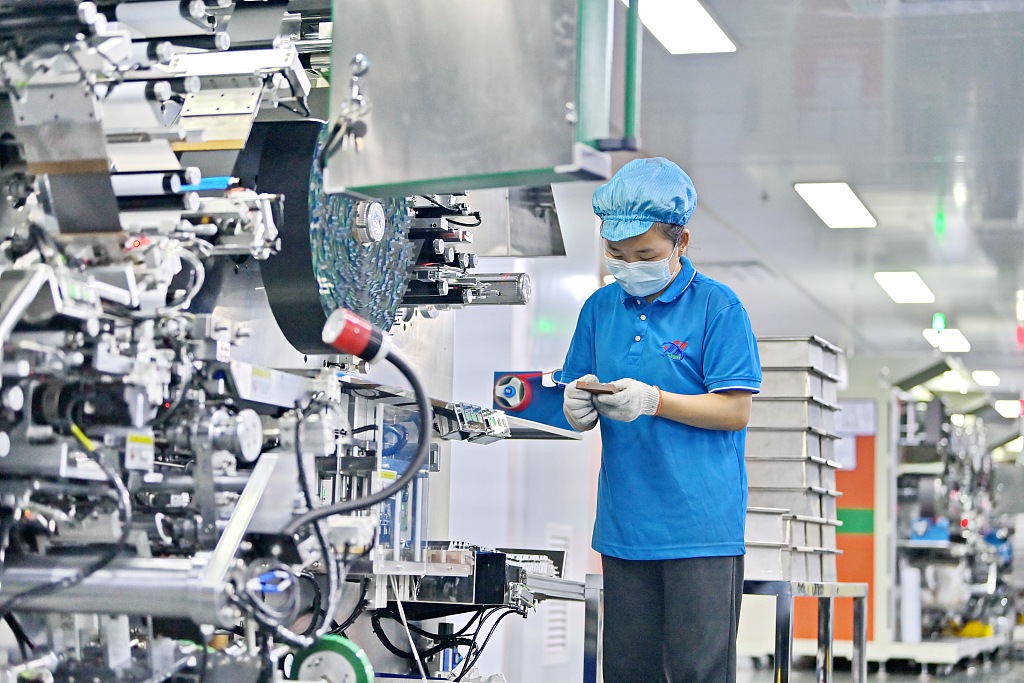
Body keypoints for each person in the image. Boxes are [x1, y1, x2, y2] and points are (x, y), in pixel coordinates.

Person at [560, 157, 761, 683]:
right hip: (626, 524)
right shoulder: (599, 308)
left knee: (698, 673)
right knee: (628, 673)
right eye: (616, 254)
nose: (628, 265)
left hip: (700, 528)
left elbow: (735, 410)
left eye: (644, 254)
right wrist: (576, 408)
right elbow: (577, 384)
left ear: (681, 243)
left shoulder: (719, 308)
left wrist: (656, 400)